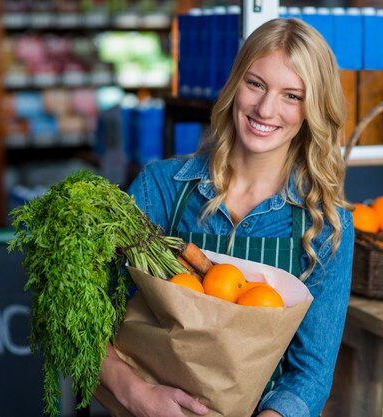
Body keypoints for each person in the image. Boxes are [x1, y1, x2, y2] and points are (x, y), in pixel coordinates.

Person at [99, 17, 354, 417]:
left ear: (313, 109)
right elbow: (86, 317)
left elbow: (311, 372)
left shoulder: (323, 225)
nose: (266, 109)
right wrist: (137, 395)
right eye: (255, 84)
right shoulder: (162, 189)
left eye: (291, 95)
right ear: (235, 84)